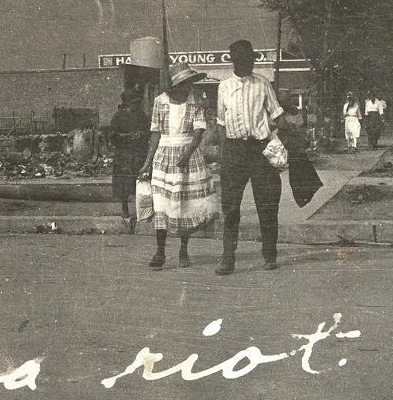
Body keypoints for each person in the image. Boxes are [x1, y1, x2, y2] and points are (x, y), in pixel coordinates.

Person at [215, 39, 286, 276]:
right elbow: (221, 125)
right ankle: (227, 258)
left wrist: (280, 142)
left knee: (266, 204)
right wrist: (223, 156)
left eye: (249, 60)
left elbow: (277, 115)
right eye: (241, 60)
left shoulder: (263, 84)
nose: (246, 64)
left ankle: (269, 254)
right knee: (231, 207)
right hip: (234, 151)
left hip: (259, 150)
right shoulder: (223, 87)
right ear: (233, 61)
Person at [138, 63, 219, 269]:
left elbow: (199, 130)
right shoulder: (159, 101)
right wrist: (147, 164)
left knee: (185, 204)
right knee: (161, 204)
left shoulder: (196, 100)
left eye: (190, 82)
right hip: (163, 157)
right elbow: (155, 133)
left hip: (188, 155)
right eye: (184, 83)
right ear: (175, 84)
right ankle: (160, 252)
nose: (187, 87)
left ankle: (184, 249)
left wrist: (188, 153)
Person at [110, 89, 150, 219]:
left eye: (137, 103)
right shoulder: (118, 117)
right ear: (127, 104)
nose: (135, 106)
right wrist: (128, 136)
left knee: (140, 181)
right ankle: (124, 207)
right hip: (123, 153)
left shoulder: (142, 116)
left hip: (139, 152)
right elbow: (112, 136)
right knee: (123, 182)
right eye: (133, 104)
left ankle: (142, 209)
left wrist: (141, 135)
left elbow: (149, 131)